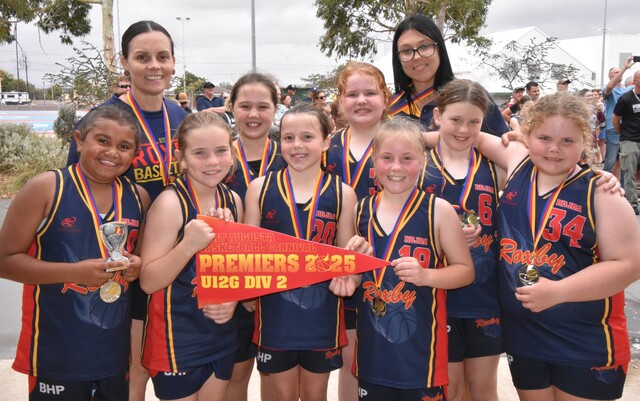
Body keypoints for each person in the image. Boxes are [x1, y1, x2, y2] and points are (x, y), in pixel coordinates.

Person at [472, 92, 640, 401]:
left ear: (586, 140)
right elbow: (469, 134)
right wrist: (420, 138)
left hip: (584, 339)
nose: (554, 149)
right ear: (528, 136)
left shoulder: (602, 192)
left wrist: (559, 291)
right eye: (544, 138)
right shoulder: (518, 162)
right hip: (524, 335)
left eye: (567, 141)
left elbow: (629, 265)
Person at [66, 20, 188, 401]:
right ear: (124, 62)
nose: (154, 66)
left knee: (169, 364)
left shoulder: (179, 116)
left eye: (162, 57)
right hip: (125, 263)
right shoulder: (105, 118)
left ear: (173, 63)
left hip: (175, 260)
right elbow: (77, 191)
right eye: (142, 57)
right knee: (134, 371)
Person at [0, 105, 150, 401]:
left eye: (124, 147)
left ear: (134, 154)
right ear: (79, 140)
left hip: (113, 353)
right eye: (103, 141)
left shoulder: (138, 197)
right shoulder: (47, 188)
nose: (112, 152)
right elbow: (4, 261)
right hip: (56, 351)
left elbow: (140, 259)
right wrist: (75, 272)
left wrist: (135, 266)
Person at [244, 104, 368, 401]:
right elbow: (246, 255)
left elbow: (347, 260)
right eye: (288, 138)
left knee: (315, 394)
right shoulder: (259, 188)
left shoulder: (343, 193)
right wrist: (244, 292)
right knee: (282, 395)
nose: (297, 145)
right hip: (276, 314)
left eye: (307, 137)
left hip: (322, 316)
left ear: (325, 142)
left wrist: (353, 276)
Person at [354, 116, 475, 400]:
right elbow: (354, 274)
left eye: (407, 158)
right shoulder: (361, 210)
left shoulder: (439, 210)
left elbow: (465, 271)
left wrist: (426, 275)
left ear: (422, 160)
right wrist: (348, 275)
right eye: (387, 158)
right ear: (374, 160)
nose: (396, 167)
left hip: (422, 359)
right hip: (373, 355)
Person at [138, 112, 241, 401]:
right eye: (200, 153)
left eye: (221, 151)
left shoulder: (233, 200)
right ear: (181, 157)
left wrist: (233, 300)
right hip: (176, 339)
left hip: (219, 333)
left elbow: (238, 270)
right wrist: (187, 246)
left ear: (232, 153)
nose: (212, 161)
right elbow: (148, 281)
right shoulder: (170, 204)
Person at [415, 79, 504, 401]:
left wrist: (599, 175)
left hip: (485, 294)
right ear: (438, 116)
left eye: (473, 122)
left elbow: (547, 168)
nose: (464, 130)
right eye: (455, 119)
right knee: (448, 389)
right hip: (435, 295)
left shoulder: (496, 167)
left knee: (483, 388)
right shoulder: (417, 165)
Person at [323, 61, 391, 401]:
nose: (361, 100)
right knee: (350, 360)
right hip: (341, 268)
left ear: (385, 98)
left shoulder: (401, 143)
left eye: (370, 93)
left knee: (393, 354)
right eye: (352, 94)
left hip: (390, 263)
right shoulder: (325, 147)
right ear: (340, 101)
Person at [223, 72, 287, 401]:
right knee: (236, 373)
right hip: (229, 283)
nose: (253, 114)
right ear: (231, 107)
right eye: (244, 106)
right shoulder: (217, 158)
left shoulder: (291, 156)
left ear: (276, 109)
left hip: (281, 284)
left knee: (275, 376)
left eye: (263, 106)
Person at [388, 14, 508, 136]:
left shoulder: (471, 95)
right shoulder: (389, 108)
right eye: (406, 51)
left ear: (440, 49)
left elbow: (503, 141)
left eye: (424, 46)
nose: (417, 57)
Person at [613, 69, 640, 215]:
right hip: (630, 139)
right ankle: (632, 203)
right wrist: (623, 134)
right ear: (634, 81)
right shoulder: (626, 98)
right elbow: (615, 120)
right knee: (629, 172)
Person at [603, 56, 635, 176]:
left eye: (619, 71)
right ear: (610, 76)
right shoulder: (607, 90)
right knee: (610, 161)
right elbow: (610, 87)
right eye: (615, 72)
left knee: (623, 162)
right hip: (613, 129)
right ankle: (603, 184)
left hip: (628, 129)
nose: (619, 72)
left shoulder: (628, 89)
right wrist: (624, 68)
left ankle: (619, 185)